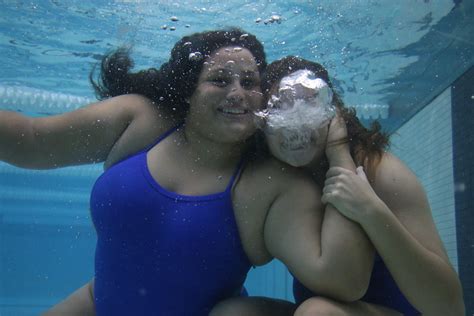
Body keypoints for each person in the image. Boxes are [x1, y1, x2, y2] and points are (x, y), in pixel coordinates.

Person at [1, 29, 368, 316]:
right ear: (189, 90)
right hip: (98, 301)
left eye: (250, 82)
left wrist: (339, 154)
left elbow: (342, 281)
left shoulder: (268, 184)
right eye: (221, 80)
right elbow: (32, 141)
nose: (238, 93)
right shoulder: (141, 121)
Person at [210, 56, 465, 316]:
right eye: (279, 107)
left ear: (333, 113)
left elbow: (451, 308)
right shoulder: (278, 180)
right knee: (233, 312)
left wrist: (371, 212)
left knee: (318, 313)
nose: (295, 121)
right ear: (261, 125)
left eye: (309, 103)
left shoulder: (380, 173)